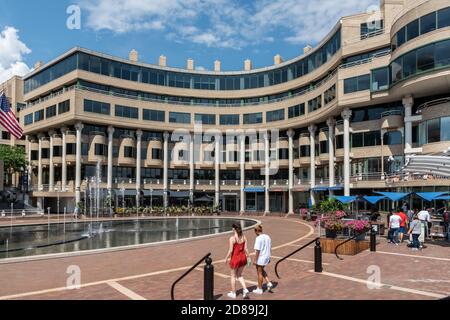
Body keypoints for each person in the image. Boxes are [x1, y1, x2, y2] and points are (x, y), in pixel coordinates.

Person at [224, 224, 249, 299]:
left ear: (234, 229)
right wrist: (249, 256)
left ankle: (233, 293)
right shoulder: (244, 237)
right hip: (243, 258)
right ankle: (245, 289)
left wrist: (226, 258)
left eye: (232, 228)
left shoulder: (232, 238)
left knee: (233, 276)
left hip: (235, 258)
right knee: (239, 275)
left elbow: (231, 250)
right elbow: (246, 249)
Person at [253, 225, 273, 294]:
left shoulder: (258, 238)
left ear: (256, 231)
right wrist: (269, 257)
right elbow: (270, 247)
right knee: (261, 270)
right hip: (267, 256)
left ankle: (259, 289)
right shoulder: (267, 236)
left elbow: (258, 250)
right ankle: (268, 282)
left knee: (259, 273)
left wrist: (255, 260)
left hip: (261, 257)